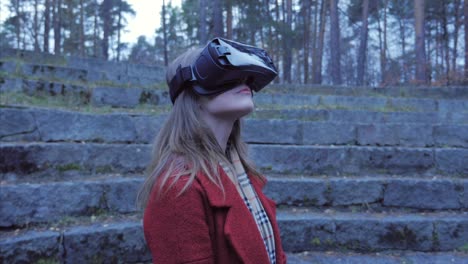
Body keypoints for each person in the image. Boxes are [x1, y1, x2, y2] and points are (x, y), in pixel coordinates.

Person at [137, 38, 286, 264]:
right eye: (226, 72)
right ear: (192, 93)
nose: (243, 79)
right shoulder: (178, 188)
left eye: (244, 73)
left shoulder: (244, 175)